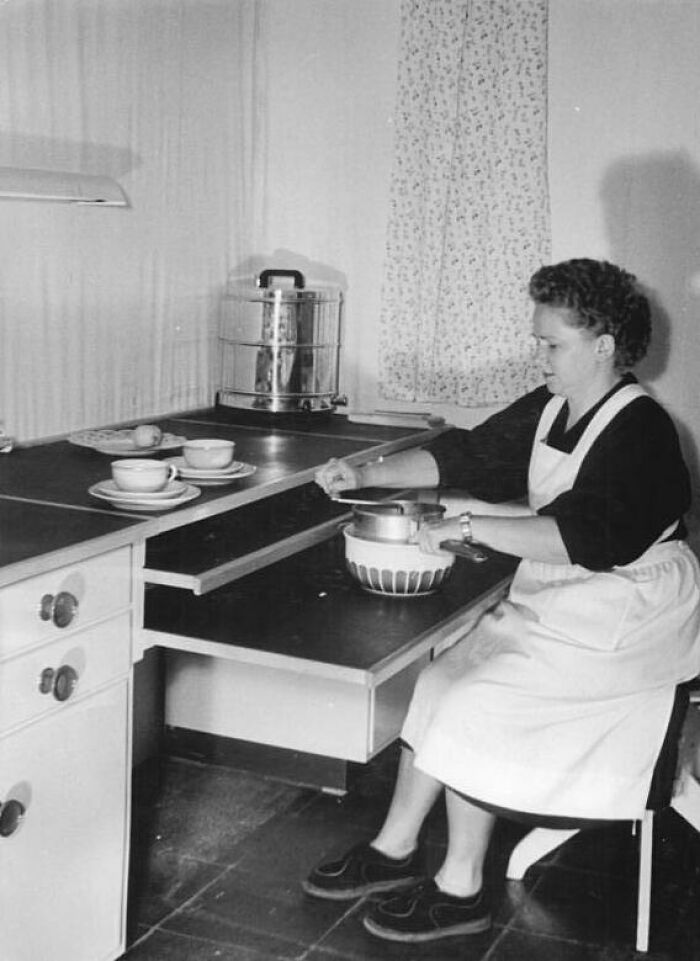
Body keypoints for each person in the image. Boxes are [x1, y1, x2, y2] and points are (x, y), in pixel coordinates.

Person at [301, 258, 700, 944]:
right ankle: (395, 846)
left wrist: (463, 525)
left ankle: (461, 886)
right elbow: (470, 456)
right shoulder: (552, 407)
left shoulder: (643, 430)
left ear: (603, 345)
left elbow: (584, 537)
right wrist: (361, 476)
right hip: (571, 596)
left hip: (630, 614)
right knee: (439, 676)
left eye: (552, 344)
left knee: (477, 698)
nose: (539, 355)